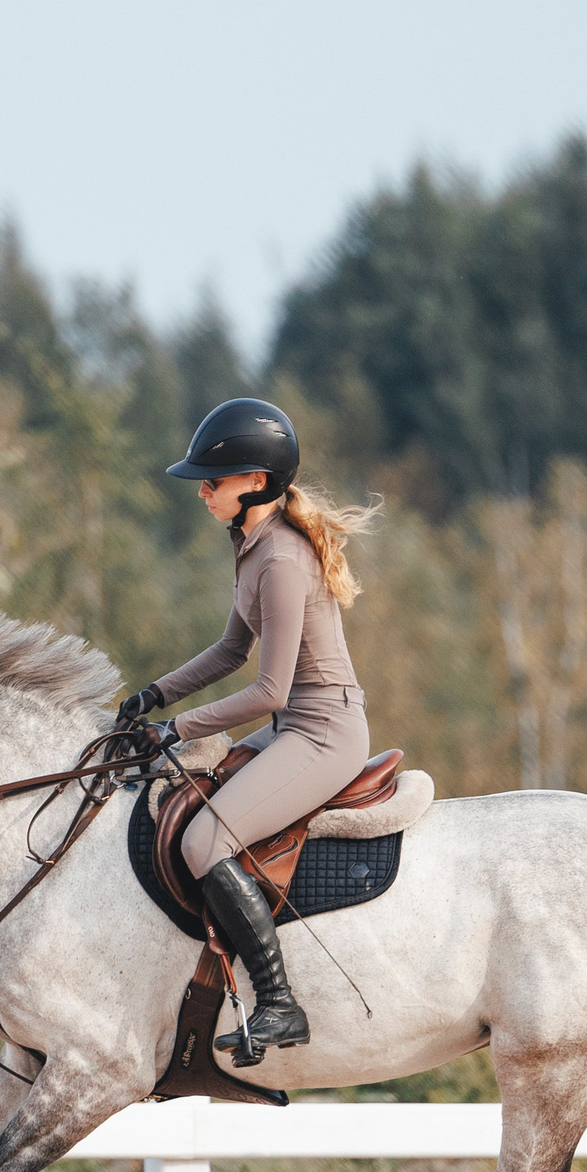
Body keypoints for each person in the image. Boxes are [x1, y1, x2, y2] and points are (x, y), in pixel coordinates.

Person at [119, 398, 375, 1062]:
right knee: (181, 793)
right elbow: (230, 651)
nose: (203, 491)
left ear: (256, 482)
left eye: (215, 480)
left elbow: (270, 690)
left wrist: (176, 727)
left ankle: (281, 1004)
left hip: (325, 733)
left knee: (205, 840)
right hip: (295, 725)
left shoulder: (283, 561)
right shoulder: (251, 546)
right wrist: (152, 695)